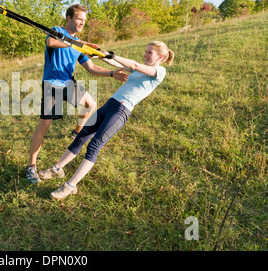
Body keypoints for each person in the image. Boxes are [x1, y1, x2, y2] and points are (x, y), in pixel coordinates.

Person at [38, 41, 175, 200]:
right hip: (109, 104)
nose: (145, 54)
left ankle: (70, 186)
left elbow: (135, 65)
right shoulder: (139, 68)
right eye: (146, 51)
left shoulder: (159, 71)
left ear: (161, 57)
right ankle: (57, 168)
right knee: (81, 135)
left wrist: (112, 55)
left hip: (121, 111)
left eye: (149, 52)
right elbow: (115, 62)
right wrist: (98, 53)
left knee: (94, 145)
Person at [25, 4, 128, 184]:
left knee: (90, 104)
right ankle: (31, 166)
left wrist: (112, 73)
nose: (82, 23)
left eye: (84, 20)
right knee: (44, 124)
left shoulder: (79, 44)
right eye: (79, 19)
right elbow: (51, 42)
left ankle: (76, 132)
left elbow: (91, 67)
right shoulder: (57, 31)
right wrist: (79, 44)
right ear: (69, 18)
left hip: (68, 82)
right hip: (52, 83)